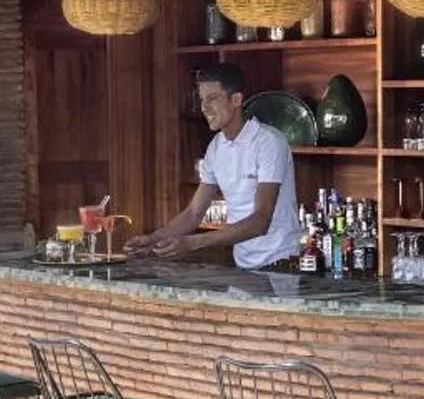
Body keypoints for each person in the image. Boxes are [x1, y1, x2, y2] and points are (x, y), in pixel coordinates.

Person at [129, 63, 303, 269]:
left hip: (281, 263)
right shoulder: (216, 148)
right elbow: (194, 213)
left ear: (236, 100)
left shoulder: (268, 142)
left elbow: (260, 221)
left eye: (212, 98)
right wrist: (153, 239)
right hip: (244, 265)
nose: (204, 107)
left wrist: (193, 243)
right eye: (202, 100)